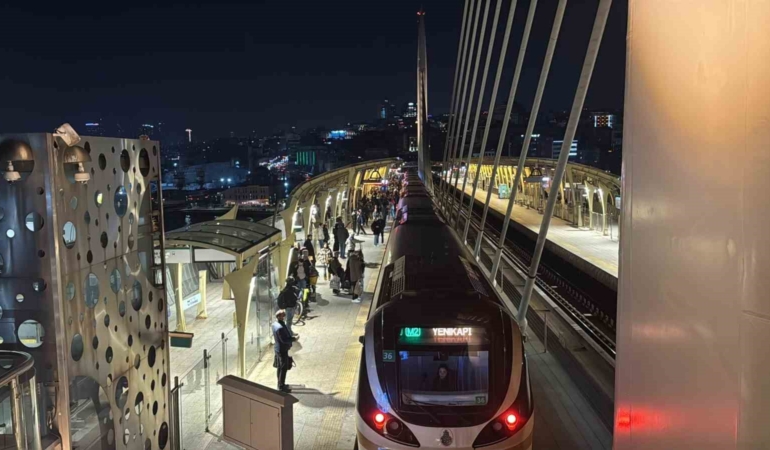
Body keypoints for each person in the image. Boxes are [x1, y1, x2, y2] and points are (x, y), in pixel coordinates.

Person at [272, 310, 293, 392]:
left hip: (278, 348)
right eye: (282, 316)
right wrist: (293, 339)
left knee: (280, 367)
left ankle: (280, 383)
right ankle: (281, 386)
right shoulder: (280, 327)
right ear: (278, 317)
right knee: (283, 368)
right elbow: (284, 339)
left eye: (284, 316)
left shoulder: (275, 324)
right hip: (282, 349)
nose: (283, 317)